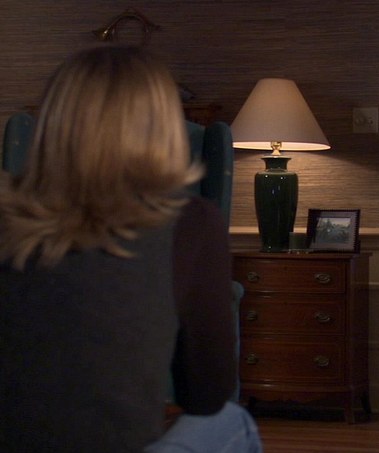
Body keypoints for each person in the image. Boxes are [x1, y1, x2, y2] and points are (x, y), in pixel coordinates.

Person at [0, 46, 262, 452]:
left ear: (53, 123)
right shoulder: (190, 223)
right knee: (234, 421)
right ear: (164, 126)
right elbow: (207, 394)